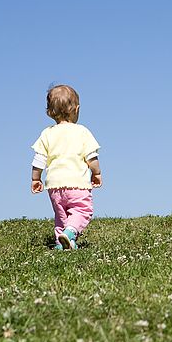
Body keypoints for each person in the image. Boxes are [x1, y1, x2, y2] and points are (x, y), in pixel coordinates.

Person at [30, 84, 102, 249]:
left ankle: (62, 244)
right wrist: (96, 173)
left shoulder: (47, 133)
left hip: (55, 186)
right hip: (77, 184)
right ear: (76, 109)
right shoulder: (82, 132)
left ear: (50, 112)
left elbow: (39, 159)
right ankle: (70, 233)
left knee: (61, 216)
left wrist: (35, 178)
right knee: (82, 211)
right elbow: (92, 156)